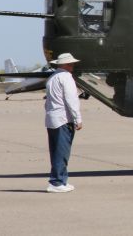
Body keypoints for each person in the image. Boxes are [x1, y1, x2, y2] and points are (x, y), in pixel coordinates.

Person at [45, 52, 83, 193]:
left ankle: (60, 180)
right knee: (62, 152)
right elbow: (71, 100)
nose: (73, 66)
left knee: (55, 151)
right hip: (63, 119)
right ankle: (57, 182)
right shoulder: (66, 77)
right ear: (67, 64)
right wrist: (77, 119)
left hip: (51, 118)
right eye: (72, 64)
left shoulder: (52, 78)